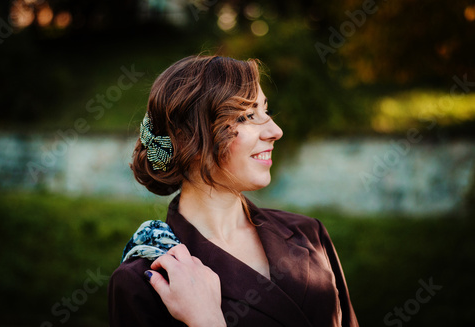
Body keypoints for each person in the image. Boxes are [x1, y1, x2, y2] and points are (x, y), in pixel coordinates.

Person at [108, 55, 359, 327]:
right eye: (248, 115)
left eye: (266, 111)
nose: (276, 131)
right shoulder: (147, 280)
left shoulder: (310, 234)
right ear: (187, 138)